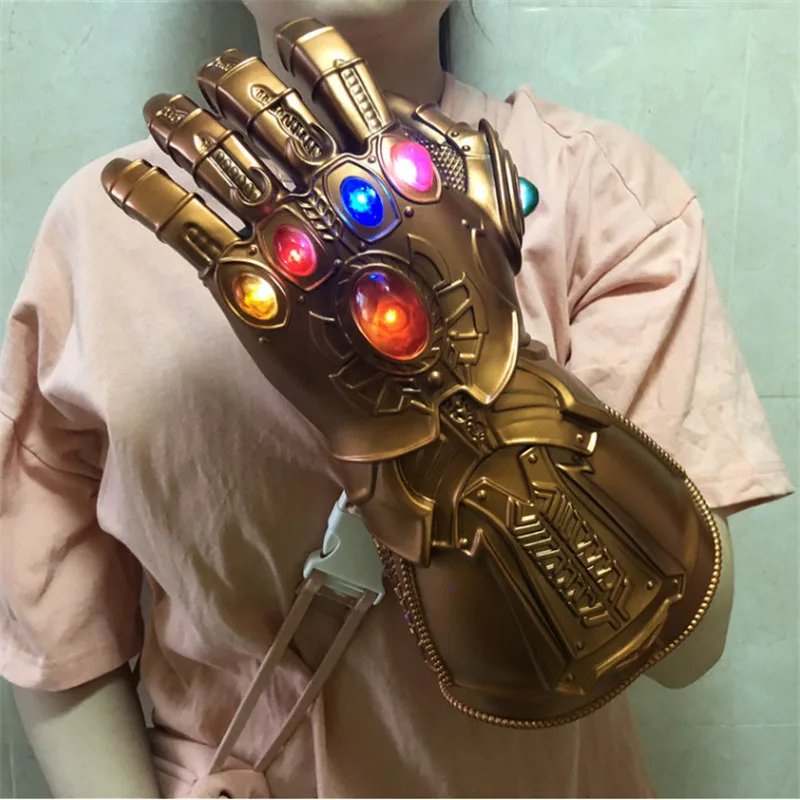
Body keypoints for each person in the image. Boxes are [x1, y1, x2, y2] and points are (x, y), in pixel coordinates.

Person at [0, 1, 792, 797]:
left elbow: (685, 642)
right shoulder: (101, 234)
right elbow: (50, 621)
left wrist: (481, 382)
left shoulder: (603, 196)